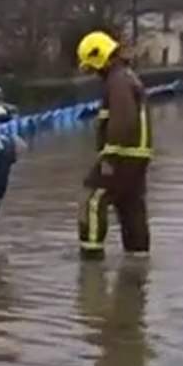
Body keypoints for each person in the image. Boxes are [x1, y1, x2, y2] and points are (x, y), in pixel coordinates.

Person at [75, 30, 155, 260]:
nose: (94, 73)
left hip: (121, 154)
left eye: (93, 67)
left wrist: (109, 155)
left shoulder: (117, 80)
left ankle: (91, 261)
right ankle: (137, 260)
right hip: (137, 157)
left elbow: (123, 118)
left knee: (94, 198)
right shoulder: (128, 77)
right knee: (131, 205)